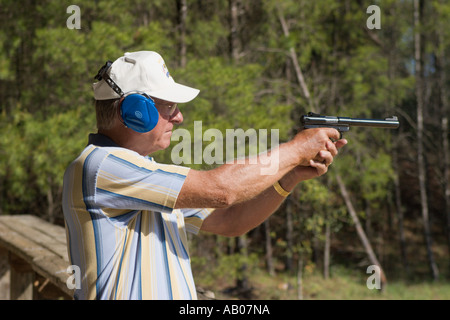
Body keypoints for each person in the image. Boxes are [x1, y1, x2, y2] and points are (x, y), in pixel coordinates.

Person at [62, 50, 347, 300]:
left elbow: (230, 221)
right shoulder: (101, 165)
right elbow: (223, 191)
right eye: (169, 106)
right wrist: (297, 149)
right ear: (136, 111)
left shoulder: (140, 170)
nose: (179, 117)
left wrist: (289, 177)